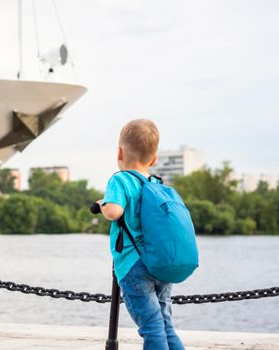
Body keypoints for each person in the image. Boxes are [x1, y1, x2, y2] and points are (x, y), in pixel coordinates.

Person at [97, 119, 185, 350]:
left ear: (119, 152)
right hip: (160, 263)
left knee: (152, 328)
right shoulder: (156, 183)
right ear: (154, 159)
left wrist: (104, 204)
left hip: (134, 266)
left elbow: (114, 211)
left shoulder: (120, 179)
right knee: (165, 325)